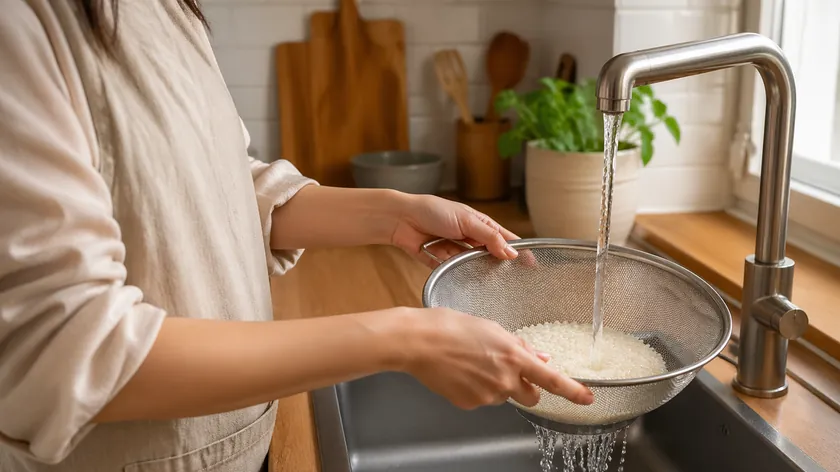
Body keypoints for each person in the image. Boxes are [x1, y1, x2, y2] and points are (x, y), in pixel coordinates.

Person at [0, 1, 594, 471]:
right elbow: (64, 347)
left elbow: (211, 187)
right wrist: (404, 337)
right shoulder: (21, 26)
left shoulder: (163, 10)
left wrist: (391, 212)